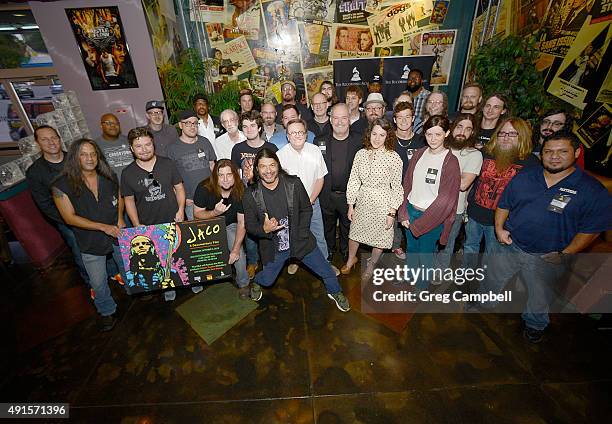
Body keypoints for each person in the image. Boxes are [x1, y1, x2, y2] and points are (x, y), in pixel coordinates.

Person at [476, 131, 611, 343]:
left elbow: (592, 229)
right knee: (492, 278)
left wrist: (566, 253)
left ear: (576, 153)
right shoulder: (526, 176)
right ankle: (486, 303)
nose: (554, 156)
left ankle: (535, 325)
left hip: (548, 255)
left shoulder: (591, 190)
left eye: (562, 151)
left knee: (540, 296)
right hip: (511, 245)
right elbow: (504, 204)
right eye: (548, 151)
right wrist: (500, 229)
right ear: (542, 154)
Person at [242, 149, 350, 312]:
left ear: (278, 165)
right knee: (268, 279)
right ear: (257, 169)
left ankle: (335, 292)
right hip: (274, 247)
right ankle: (257, 282)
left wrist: (301, 233)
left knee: (327, 271)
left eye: (272, 165)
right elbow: (250, 226)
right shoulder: (251, 194)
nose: (268, 170)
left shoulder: (293, 183)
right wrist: (264, 229)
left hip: (301, 241)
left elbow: (306, 209)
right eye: (263, 166)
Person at [52, 139, 126, 332]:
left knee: (127, 267)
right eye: (84, 154)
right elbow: (69, 218)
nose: (90, 158)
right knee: (98, 281)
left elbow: (119, 197)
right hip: (89, 241)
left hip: (116, 234)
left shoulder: (108, 176)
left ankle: (133, 290)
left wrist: (119, 217)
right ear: (74, 157)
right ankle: (106, 310)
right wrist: (103, 227)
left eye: (93, 153)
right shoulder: (61, 185)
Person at [121, 127, 187, 302]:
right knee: (159, 258)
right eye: (139, 146)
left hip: (175, 218)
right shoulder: (127, 173)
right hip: (149, 224)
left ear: (153, 144)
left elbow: (179, 188)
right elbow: (128, 201)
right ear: (131, 149)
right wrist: (136, 225)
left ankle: (192, 281)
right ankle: (168, 286)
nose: (144, 149)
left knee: (183, 254)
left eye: (147, 144)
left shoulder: (167, 163)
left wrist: (180, 209)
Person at [463, 117, 539, 269]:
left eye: (512, 134)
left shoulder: (531, 163)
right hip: (475, 213)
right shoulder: (485, 153)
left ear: (522, 136)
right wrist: (465, 203)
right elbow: (473, 181)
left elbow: (530, 199)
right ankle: (466, 274)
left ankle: (486, 283)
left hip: (501, 222)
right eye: (502, 133)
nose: (505, 137)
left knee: (492, 254)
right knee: (470, 246)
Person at [398, 115, 461, 289]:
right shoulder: (419, 153)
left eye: (438, 134)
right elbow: (407, 184)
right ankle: (410, 278)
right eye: (429, 134)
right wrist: (403, 212)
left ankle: (421, 287)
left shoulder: (451, 162)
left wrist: (419, 224)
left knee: (425, 256)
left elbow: (446, 201)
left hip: (432, 217)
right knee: (411, 250)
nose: (433, 139)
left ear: (447, 133)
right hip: (411, 211)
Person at [26, 125, 90, 286]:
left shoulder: (76, 160)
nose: (51, 142)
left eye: (54, 137)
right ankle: (91, 284)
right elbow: (44, 204)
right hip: (67, 221)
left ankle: (111, 274)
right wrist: (70, 220)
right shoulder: (35, 172)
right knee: (80, 251)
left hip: (92, 213)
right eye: (45, 139)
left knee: (102, 245)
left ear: (59, 138)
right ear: (37, 143)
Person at [342, 118, 404, 280]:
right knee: (354, 234)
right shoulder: (360, 154)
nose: (377, 138)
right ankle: (351, 259)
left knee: (380, 240)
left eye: (382, 135)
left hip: (383, 204)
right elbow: (354, 179)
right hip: (362, 202)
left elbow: (397, 187)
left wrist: (392, 213)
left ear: (387, 137)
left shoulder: (394, 158)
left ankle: (371, 266)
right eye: (374, 134)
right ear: (369, 134)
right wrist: (351, 205)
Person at [278, 118, 340, 275]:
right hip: (290, 207)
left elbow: (320, 178)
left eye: (300, 132)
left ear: (305, 134)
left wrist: (311, 199)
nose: (297, 135)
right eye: (293, 133)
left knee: (319, 235)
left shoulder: (315, 150)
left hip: (313, 203)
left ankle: (325, 264)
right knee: (295, 236)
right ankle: (296, 261)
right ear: (287, 136)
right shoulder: (280, 156)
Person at [230, 111, 278, 278]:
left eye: (252, 125)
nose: (249, 129)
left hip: (268, 197)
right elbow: (236, 174)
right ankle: (252, 262)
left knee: (268, 230)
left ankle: (270, 261)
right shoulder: (237, 149)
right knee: (250, 232)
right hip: (246, 197)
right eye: (245, 126)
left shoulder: (271, 148)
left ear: (259, 127)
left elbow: (277, 173)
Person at [193, 160, 250, 299]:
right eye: (221, 175)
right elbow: (197, 214)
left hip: (231, 224)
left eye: (229, 175)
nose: (225, 179)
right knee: (196, 251)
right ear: (215, 176)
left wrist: (235, 249)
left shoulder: (241, 189)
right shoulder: (204, 188)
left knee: (239, 255)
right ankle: (196, 279)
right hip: (208, 223)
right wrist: (214, 213)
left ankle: (243, 284)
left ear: (235, 176)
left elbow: (242, 222)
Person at [314, 103, 363, 262]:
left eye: (344, 118)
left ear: (349, 120)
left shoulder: (360, 141)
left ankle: (345, 252)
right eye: (335, 117)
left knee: (347, 227)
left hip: (349, 197)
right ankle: (327, 252)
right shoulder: (319, 141)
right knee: (326, 226)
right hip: (326, 194)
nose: (339, 122)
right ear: (330, 119)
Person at [435, 113, 482, 271]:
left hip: (454, 210)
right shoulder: (440, 148)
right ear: (452, 128)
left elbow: (463, 184)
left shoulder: (475, 155)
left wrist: (438, 177)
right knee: (428, 243)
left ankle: (439, 272)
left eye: (468, 129)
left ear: (472, 133)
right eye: (459, 127)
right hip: (431, 205)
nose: (462, 132)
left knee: (446, 245)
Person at [167, 110, 217, 221]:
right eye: (188, 123)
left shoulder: (205, 142)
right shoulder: (172, 148)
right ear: (180, 125)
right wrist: (182, 199)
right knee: (199, 233)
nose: (192, 126)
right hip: (190, 201)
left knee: (216, 233)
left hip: (211, 195)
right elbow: (170, 178)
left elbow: (212, 166)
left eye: (195, 123)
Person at [94, 113, 132, 180]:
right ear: (101, 125)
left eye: (116, 123)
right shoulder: (95, 145)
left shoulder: (129, 140)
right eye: (108, 123)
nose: (113, 126)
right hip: (113, 186)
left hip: (134, 183)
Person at [406, 69, 431, 134]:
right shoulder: (404, 96)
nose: (412, 80)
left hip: (422, 134)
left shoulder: (428, 97)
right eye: (410, 78)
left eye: (416, 78)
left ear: (421, 81)